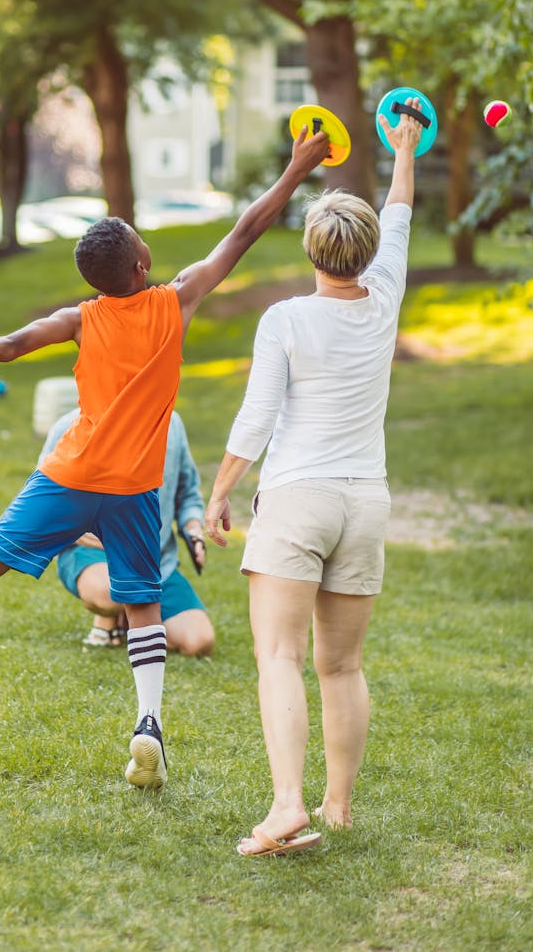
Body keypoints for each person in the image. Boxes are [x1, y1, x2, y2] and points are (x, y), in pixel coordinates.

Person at [0, 123, 328, 792]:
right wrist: (298, 167)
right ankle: (147, 723)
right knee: (144, 604)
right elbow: (244, 230)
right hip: (132, 488)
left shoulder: (81, 318)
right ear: (143, 263)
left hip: (68, 471)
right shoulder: (174, 300)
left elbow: (11, 344)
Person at [205, 101, 423, 854]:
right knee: (343, 663)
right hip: (365, 502)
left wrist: (222, 487)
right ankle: (339, 803)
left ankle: (288, 805)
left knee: (279, 657)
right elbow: (399, 214)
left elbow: (257, 419)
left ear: (312, 250)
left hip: (297, 500)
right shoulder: (386, 297)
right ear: (362, 253)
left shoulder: (287, 320)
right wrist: (404, 145)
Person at [40, 406, 214, 656]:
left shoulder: (171, 423)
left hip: (153, 563)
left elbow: (188, 494)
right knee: (110, 593)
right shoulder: (70, 424)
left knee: (199, 642)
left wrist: (193, 528)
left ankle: (130, 620)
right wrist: (75, 530)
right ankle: (112, 617)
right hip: (93, 552)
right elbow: (42, 500)